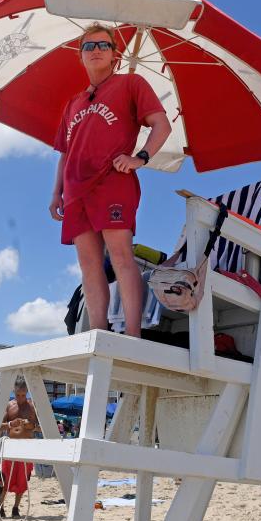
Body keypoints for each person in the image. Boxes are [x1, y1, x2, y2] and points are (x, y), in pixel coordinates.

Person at [49, 22, 172, 338]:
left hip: (113, 180)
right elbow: (65, 152)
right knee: (89, 266)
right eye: (89, 46)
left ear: (116, 55)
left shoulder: (131, 84)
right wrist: (56, 193)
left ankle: (133, 335)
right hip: (76, 192)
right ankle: (98, 335)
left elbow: (161, 125)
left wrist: (140, 158)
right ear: (81, 57)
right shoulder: (73, 103)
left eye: (103, 45)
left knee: (121, 256)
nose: (96, 51)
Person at [0, 376, 41, 518]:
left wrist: (31, 425)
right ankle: (1, 507)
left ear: (27, 392)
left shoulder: (32, 406)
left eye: (23, 395)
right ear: (14, 391)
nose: (21, 398)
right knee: (4, 479)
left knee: (22, 481)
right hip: (10, 447)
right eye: (18, 395)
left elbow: (41, 428)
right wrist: (11, 424)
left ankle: (15, 508)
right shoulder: (9, 405)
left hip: (26, 447)